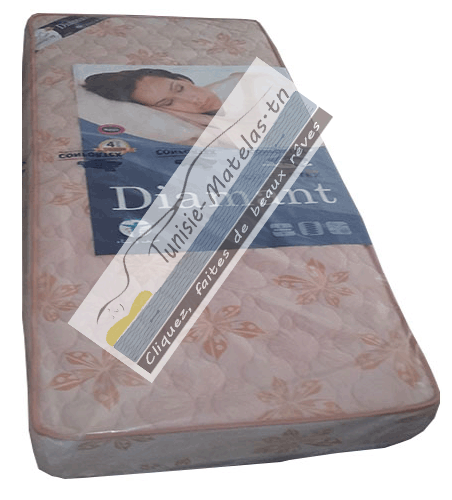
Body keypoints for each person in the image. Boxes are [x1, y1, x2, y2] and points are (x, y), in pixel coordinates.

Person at [83, 68, 245, 143]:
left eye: (180, 88)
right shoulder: (191, 129)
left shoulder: (240, 82)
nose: (192, 100)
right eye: (168, 103)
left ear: (183, 79)